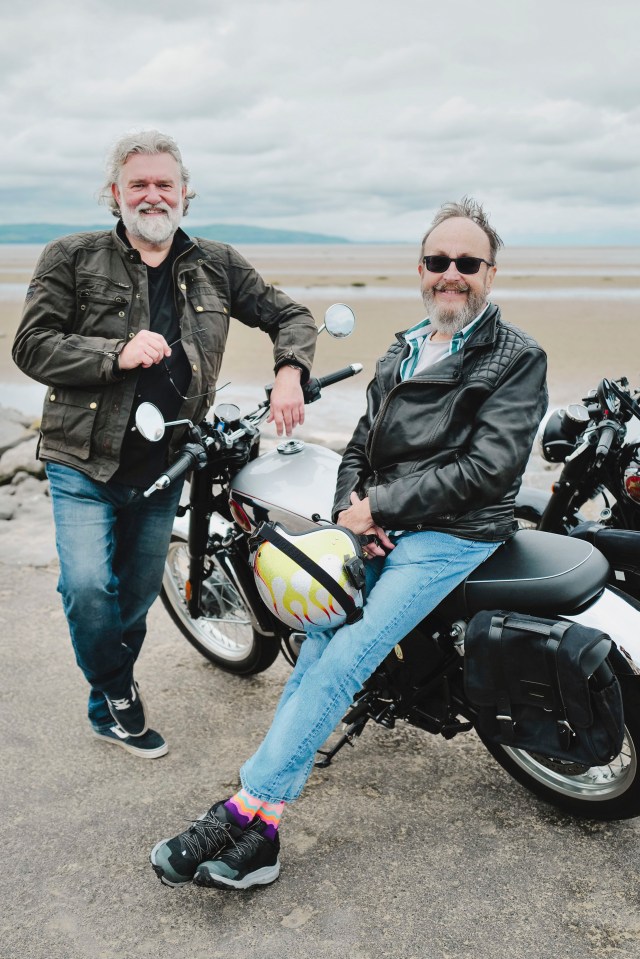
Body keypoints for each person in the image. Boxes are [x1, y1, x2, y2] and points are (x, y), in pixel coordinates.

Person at [150, 197, 548, 888]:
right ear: (420, 268)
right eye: (437, 261)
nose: (449, 274)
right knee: (316, 651)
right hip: (383, 523)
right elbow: (360, 444)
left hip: (455, 534)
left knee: (348, 653)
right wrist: (350, 512)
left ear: (490, 271)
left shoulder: (517, 357)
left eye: (466, 263)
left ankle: (240, 805)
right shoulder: (406, 345)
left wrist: (380, 507)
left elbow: (490, 468)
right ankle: (265, 835)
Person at [12, 130, 317, 760]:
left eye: (164, 184)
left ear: (185, 194)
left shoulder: (218, 264)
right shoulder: (71, 256)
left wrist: (290, 370)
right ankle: (118, 693)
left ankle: (108, 700)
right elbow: (31, 346)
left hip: (165, 463)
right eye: (138, 185)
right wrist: (114, 354)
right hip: (82, 459)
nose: (153, 196)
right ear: (115, 195)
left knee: (139, 586)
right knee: (89, 587)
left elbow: (291, 315)